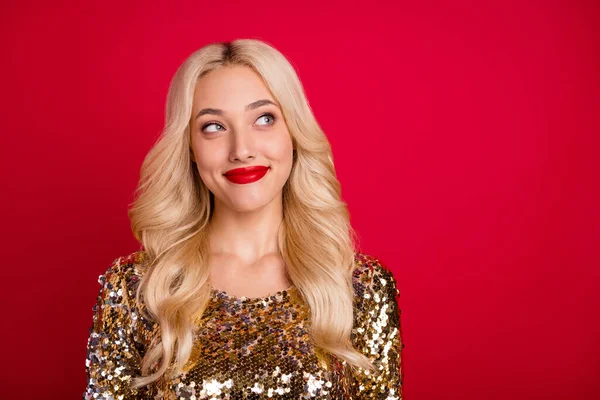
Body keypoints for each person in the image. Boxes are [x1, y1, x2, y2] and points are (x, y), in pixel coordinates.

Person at [83, 38, 404, 399]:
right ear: (189, 146)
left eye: (264, 119)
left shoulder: (361, 288)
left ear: (294, 135)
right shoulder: (136, 289)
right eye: (213, 126)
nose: (242, 149)